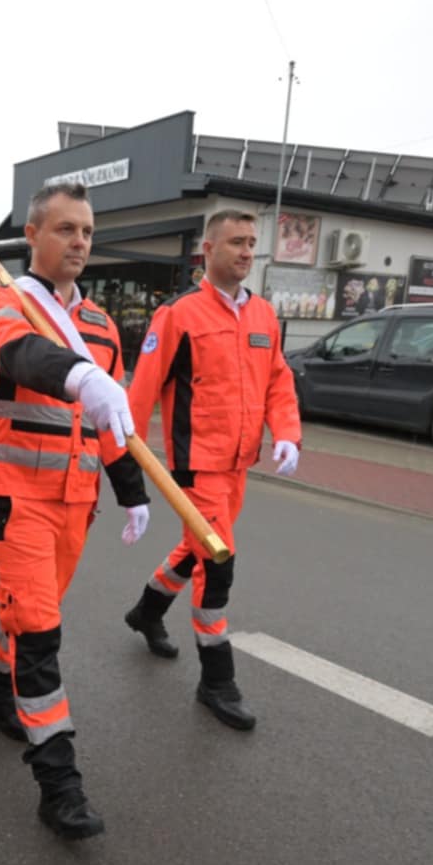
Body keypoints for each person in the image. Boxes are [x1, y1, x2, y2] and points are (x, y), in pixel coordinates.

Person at [0, 181, 150, 841]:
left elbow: (113, 417)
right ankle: (58, 782)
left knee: (27, 617)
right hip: (15, 497)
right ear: (36, 236)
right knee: (40, 632)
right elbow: (15, 353)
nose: (79, 242)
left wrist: (129, 487)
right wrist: (79, 375)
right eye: (67, 229)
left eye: (88, 233)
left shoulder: (102, 326)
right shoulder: (0, 302)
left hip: (77, 502)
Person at [122, 209, 302, 732]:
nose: (247, 252)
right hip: (194, 466)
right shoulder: (178, 315)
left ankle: (147, 612)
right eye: (236, 243)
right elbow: (141, 394)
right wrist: (126, 470)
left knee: (196, 548)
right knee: (217, 562)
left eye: (252, 243)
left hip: (238, 463)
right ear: (208, 250)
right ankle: (216, 680)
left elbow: (278, 381)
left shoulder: (264, 315)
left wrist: (286, 432)